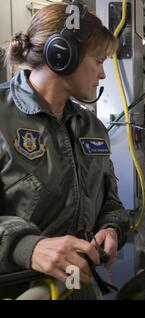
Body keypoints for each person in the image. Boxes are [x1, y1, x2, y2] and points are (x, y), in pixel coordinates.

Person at [0, 2, 129, 299]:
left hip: (78, 289)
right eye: (98, 61)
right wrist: (28, 248)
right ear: (62, 55)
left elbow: (111, 204)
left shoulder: (91, 128)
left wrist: (111, 229)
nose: (102, 75)